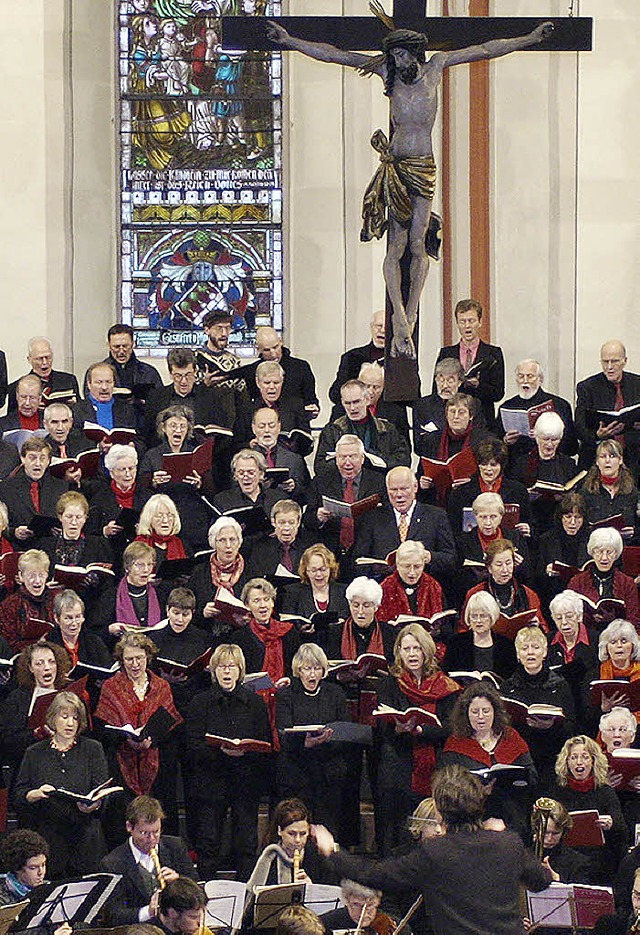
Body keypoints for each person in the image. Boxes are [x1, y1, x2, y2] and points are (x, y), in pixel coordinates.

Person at [268, 19, 553, 360]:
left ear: (415, 52)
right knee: (396, 244)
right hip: (398, 168)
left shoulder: (436, 68)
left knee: (419, 243)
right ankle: (399, 320)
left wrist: (530, 38)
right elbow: (335, 56)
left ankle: (412, 312)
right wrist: (290, 41)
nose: (399, 62)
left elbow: (486, 49)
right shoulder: (387, 74)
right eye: (395, 56)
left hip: (424, 167)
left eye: (403, 55)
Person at [313, 763, 552, 935]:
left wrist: (332, 851)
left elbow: (375, 875)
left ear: (441, 810)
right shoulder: (508, 842)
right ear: (480, 802)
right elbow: (541, 881)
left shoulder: (436, 852)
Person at [185, 643, 271, 880]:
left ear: (240, 670)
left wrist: (245, 750)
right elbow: (192, 744)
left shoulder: (254, 702)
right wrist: (220, 750)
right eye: (222, 666)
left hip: (244, 780)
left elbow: (264, 742)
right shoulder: (200, 702)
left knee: (246, 841)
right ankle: (206, 894)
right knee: (209, 843)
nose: (226, 672)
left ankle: (246, 894)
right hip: (210, 781)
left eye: (231, 666)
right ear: (214, 670)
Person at [374, 624, 460, 854]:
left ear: (426, 651)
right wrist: (399, 728)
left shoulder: (446, 685)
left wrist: (422, 730)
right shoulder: (389, 684)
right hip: (398, 763)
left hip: (435, 765)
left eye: (417, 648)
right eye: (406, 649)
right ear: (399, 652)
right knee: (397, 828)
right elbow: (382, 724)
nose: (412, 654)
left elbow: (452, 726)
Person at [13, 691, 109, 878]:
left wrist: (95, 804)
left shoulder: (93, 749)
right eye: (64, 717)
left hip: (86, 841)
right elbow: (18, 795)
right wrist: (32, 794)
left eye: (75, 718)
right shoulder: (35, 752)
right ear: (52, 718)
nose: (70, 723)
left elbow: (103, 791)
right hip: (49, 842)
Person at [94, 632, 182, 802]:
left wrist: (152, 739)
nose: (135, 664)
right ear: (121, 660)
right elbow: (103, 727)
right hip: (121, 762)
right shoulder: (111, 687)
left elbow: (171, 725)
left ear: (147, 657)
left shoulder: (161, 686)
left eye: (139, 658)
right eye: (129, 659)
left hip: (157, 764)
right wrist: (128, 740)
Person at [442, 682, 536, 836]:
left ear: (495, 712)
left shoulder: (511, 737)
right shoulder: (455, 743)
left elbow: (532, 777)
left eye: (486, 711)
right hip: (471, 821)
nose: (480, 717)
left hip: (511, 817)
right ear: (466, 714)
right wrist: (477, 790)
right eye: (474, 711)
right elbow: (446, 788)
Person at [276, 643, 351, 837]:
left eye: (317, 668)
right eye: (307, 668)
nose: (312, 674)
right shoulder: (286, 695)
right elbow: (283, 732)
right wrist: (305, 744)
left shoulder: (335, 693)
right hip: (297, 771)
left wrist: (326, 739)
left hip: (328, 771)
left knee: (327, 829)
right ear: (298, 670)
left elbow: (345, 731)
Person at [100, 795, 197, 925]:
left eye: (156, 832)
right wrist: (148, 912)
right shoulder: (113, 863)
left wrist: (179, 882)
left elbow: (199, 892)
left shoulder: (175, 846)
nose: (152, 839)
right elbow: (113, 915)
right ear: (129, 827)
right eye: (144, 833)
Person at [354, 466, 457, 589]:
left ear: (415, 487)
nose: (399, 495)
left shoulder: (436, 516)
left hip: (426, 590)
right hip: (383, 589)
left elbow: (451, 560)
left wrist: (429, 557)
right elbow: (358, 561)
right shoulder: (372, 518)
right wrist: (376, 568)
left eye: (404, 489)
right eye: (393, 489)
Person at [543, 735, 627, 884]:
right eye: (573, 757)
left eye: (585, 757)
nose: (579, 762)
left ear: (593, 761)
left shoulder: (605, 791)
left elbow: (621, 829)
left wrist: (610, 824)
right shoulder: (556, 791)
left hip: (598, 859)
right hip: (565, 857)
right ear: (566, 762)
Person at [303, 434, 386, 579]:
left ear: (362, 458)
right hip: (330, 556)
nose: (347, 462)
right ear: (336, 459)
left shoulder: (378, 482)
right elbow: (307, 519)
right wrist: (319, 517)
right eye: (342, 457)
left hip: (367, 554)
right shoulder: (321, 481)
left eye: (352, 457)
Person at [502, 626, 575, 781]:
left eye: (535, 647)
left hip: (553, 757)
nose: (530, 652)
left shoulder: (560, 685)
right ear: (518, 654)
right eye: (524, 648)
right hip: (519, 757)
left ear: (544, 652)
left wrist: (551, 727)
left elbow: (572, 726)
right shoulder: (507, 688)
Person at [139, 405, 215, 550]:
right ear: (164, 428)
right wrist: (153, 482)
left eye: (182, 426)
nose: (178, 430)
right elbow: (142, 490)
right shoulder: (152, 455)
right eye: (173, 426)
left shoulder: (197, 453)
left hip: (192, 516)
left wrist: (200, 484)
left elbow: (211, 491)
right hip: (164, 516)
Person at [432, 298, 505, 431]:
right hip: (453, 422)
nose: (467, 326)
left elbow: (498, 393)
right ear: (457, 324)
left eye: (471, 321)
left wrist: (478, 386)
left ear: (480, 322)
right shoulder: (446, 353)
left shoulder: (493, 353)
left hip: (482, 421)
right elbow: (436, 390)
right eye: (462, 321)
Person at [0, 640, 71, 775]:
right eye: (39, 663)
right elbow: (7, 742)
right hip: (30, 766)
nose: (47, 668)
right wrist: (35, 734)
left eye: (51, 662)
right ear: (31, 668)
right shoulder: (18, 698)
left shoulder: (68, 693)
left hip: (65, 764)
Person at [143, 347, 235, 449]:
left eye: (188, 375)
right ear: (170, 373)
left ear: (195, 371)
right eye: (178, 376)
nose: (183, 381)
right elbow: (148, 436)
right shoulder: (156, 397)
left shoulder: (211, 397)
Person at [315, 379, 410, 474]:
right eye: (347, 403)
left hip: (379, 481)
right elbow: (320, 466)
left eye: (356, 402)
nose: (352, 408)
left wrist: (376, 460)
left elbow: (403, 460)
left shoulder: (387, 429)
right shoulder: (332, 430)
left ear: (367, 400)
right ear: (342, 402)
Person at [575, 340, 640, 477]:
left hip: (634, 458)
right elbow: (579, 428)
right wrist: (597, 436)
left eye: (614, 361)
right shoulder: (587, 388)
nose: (609, 367)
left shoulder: (637, 384)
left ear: (625, 361)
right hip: (597, 459)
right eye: (605, 362)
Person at [510, 411, 579, 536]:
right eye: (545, 439)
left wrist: (565, 497)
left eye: (555, 440)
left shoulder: (568, 464)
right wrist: (526, 494)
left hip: (559, 522)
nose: (549, 444)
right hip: (532, 519)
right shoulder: (522, 462)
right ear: (536, 438)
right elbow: (513, 494)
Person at [447, 437, 531, 536]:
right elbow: (453, 529)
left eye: (493, 465)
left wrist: (527, 528)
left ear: (501, 466)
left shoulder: (518, 490)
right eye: (484, 464)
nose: (488, 469)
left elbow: (529, 521)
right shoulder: (461, 492)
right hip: (471, 547)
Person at [497, 358, 579, 460]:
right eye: (521, 376)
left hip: (552, 463)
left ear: (540, 380)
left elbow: (571, 446)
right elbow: (496, 442)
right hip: (517, 463)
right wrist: (505, 440)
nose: (525, 381)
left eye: (530, 376)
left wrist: (544, 438)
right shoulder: (507, 406)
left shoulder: (559, 405)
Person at [461, 538, 546, 632]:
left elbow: (544, 627)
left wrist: (537, 626)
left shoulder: (528, 594)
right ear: (489, 568)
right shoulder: (475, 593)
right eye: (499, 564)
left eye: (508, 563)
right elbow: (463, 628)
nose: (505, 570)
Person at [455, 492, 531, 597]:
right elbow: (457, 580)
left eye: (493, 517)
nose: (488, 523)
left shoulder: (515, 537)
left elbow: (528, 575)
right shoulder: (463, 541)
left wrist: (519, 565)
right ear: (475, 517)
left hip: (512, 594)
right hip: (476, 595)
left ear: (501, 516)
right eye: (483, 517)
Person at [246, 798, 331, 891]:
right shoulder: (267, 859)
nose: (298, 840)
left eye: (303, 834)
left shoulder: (317, 859)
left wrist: (311, 889)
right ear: (279, 830)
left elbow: (329, 895)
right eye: (291, 833)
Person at [87, 444, 150, 569]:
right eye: (122, 469)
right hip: (111, 554)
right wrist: (105, 531)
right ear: (111, 473)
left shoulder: (148, 497)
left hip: (142, 555)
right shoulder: (99, 498)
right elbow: (90, 531)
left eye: (131, 468)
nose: (128, 474)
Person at [235, 360, 313, 455]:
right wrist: (249, 445)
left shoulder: (296, 406)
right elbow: (236, 445)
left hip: (289, 460)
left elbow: (307, 441)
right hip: (256, 460)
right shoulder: (246, 410)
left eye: (276, 382)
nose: (272, 387)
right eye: (267, 383)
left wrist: (294, 445)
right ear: (258, 383)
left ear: (282, 382)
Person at [0, 436, 68, 545]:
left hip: (52, 547)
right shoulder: (5, 488)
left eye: (42, 458)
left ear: (49, 460)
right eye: (32, 458)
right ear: (23, 459)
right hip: (21, 549)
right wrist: (14, 532)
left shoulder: (61, 487)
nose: (38, 463)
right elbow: (2, 526)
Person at [187, 516, 248, 637]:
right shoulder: (199, 573)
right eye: (222, 540)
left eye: (233, 539)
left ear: (239, 543)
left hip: (242, 636)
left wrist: (247, 619)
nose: (228, 545)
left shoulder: (251, 572)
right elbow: (188, 610)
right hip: (205, 635)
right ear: (214, 543)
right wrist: (203, 613)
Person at [547, 589, 598, 730]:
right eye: (558, 618)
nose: (564, 623)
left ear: (579, 616)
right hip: (559, 712)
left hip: (590, 712)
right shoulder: (547, 642)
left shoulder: (596, 641)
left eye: (569, 616)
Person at [281, 544, 349, 651]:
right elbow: (286, 625)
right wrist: (300, 629)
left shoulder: (344, 592)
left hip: (337, 648)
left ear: (331, 569)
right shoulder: (293, 592)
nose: (319, 575)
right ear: (305, 571)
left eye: (323, 569)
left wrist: (341, 624)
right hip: (304, 650)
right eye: (313, 570)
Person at [376, 540, 447, 642]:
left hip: (429, 646)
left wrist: (437, 631)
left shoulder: (433, 586)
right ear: (398, 565)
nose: (412, 572)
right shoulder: (385, 587)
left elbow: (447, 629)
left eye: (417, 567)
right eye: (407, 566)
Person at [568, 528, 640, 627]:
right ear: (592, 553)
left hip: (618, 636)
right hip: (587, 637)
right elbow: (570, 616)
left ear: (616, 554)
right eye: (600, 552)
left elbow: (634, 620)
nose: (604, 558)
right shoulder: (577, 581)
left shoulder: (627, 583)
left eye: (609, 552)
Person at [232, 577, 300, 682]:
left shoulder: (289, 632)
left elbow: (297, 669)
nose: (263, 605)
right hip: (253, 695)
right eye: (256, 601)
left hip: (286, 692)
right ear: (247, 605)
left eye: (266, 599)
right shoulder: (239, 638)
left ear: (273, 602)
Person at [95, 541, 165, 642]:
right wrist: (109, 630)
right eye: (140, 565)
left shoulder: (160, 594)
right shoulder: (110, 596)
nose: (146, 570)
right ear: (127, 567)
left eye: (150, 564)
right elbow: (95, 632)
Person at [243, 325, 319, 415]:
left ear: (280, 342)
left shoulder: (301, 367)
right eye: (267, 350)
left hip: (295, 423)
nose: (273, 353)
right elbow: (248, 406)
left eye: (275, 347)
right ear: (258, 349)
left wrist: (313, 409)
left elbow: (311, 401)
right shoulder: (251, 371)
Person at [442, 591, 517, 680]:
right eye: (474, 616)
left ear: (492, 616)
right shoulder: (456, 642)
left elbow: (512, 677)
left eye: (483, 616)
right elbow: (446, 674)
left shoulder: (506, 645)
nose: (478, 621)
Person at [536, 492, 590, 608]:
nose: (572, 522)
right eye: (568, 516)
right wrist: (546, 570)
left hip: (584, 595)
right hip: (555, 594)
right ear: (560, 517)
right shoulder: (546, 539)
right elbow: (536, 574)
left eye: (578, 517)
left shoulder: (592, 539)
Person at [326, 576, 396, 664]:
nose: (360, 611)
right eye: (355, 605)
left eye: (366, 606)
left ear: (376, 607)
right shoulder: (334, 633)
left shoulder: (390, 633)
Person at [250, 406, 312, 505]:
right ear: (253, 428)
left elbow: (308, 493)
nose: (267, 430)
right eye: (262, 426)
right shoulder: (244, 460)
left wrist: (294, 487)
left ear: (279, 427)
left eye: (271, 426)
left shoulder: (295, 459)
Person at [246, 499, 314, 588]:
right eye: (282, 522)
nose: (286, 527)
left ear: (298, 523)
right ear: (273, 522)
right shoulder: (260, 549)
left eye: (291, 523)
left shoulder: (309, 550)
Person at [328, 310, 386, 414]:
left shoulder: (401, 360)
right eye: (379, 326)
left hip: (387, 417)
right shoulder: (352, 357)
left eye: (387, 327)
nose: (382, 330)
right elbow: (335, 395)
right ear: (371, 327)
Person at [579, 438, 640, 537]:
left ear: (620, 460)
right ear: (597, 462)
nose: (607, 460)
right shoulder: (586, 492)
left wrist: (634, 532)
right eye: (603, 457)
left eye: (612, 456)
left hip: (624, 545)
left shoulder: (632, 492)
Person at [0, 549, 56, 652]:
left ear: (47, 575)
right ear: (21, 576)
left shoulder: (55, 600)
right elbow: (9, 644)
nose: (37, 581)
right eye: (31, 575)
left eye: (41, 575)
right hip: (23, 658)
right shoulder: (9, 605)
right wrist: (37, 644)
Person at [212, 448, 285, 523]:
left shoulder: (278, 499)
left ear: (261, 474)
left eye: (251, 472)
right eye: (241, 473)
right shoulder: (223, 500)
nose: (245, 476)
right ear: (235, 475)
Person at [599, 707, 640, 838]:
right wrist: (605, 787)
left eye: (623, 730)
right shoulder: (593, 763)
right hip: (607, 819)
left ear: (632, 736)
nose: (617, 735)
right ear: (603, 735)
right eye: (611, 730)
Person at [530, 798, 593, 884]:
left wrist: (556, 878)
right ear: (536, 829)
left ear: (563, 832)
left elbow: (581, 894)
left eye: (555, 833)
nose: (549, 839)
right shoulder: (522, 857)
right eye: (545, 832)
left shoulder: (578, 862)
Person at [7, 338, 79, 410]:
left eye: (48, 357)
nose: (45, 362)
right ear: (29, 359)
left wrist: (74, 406)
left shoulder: (69, 380)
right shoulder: (16, 387)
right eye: (39, 358)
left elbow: (80, 411)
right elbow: (12, 418)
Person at [413, 359, 466, 457]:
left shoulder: (470, 404)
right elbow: (418, 446)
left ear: (459, 382)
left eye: (450, 381)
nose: (445, 385)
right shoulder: (422, 405)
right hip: (430, 460)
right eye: (441, 380)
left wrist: (435, 434)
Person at [595, 619, 640, 719]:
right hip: (609, 726)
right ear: (606, 647)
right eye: (613, 642)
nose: (619, 646)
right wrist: (604, 709)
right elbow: (587, 715)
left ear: (633, 646)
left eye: (624, 641)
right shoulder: (596, 673)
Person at [358, 362, 411, 446]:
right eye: (367, 386)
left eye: (376, 387)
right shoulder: (341, 409)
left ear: (383, 387)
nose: (371, 392)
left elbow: (404, 448)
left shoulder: (396, 412)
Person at [0, 375, 45, 439]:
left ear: (39, 398)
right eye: (23, 397)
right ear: (17, 396)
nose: (27, 403)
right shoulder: (2, 424)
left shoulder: (50, 422)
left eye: (32, 398)